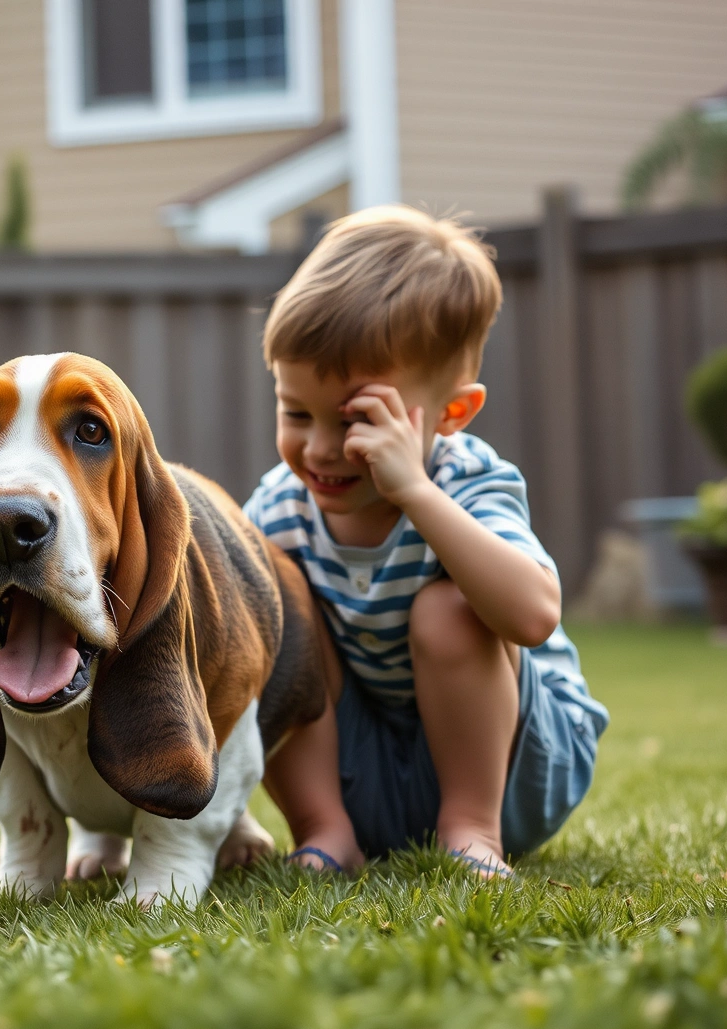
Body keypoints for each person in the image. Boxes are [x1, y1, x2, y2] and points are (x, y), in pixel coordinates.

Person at [243, 206, 608, 878]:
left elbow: (533, 616)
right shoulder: (278, 510)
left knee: (447, 611)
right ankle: (325, 832)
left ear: (451, 414)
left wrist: (415, 491)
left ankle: (472, 833)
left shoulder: (465, 481)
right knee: (269, 609)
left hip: (520, 764)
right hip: (368, 774)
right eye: (296, 413)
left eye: (359, 417)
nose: (322, 448)